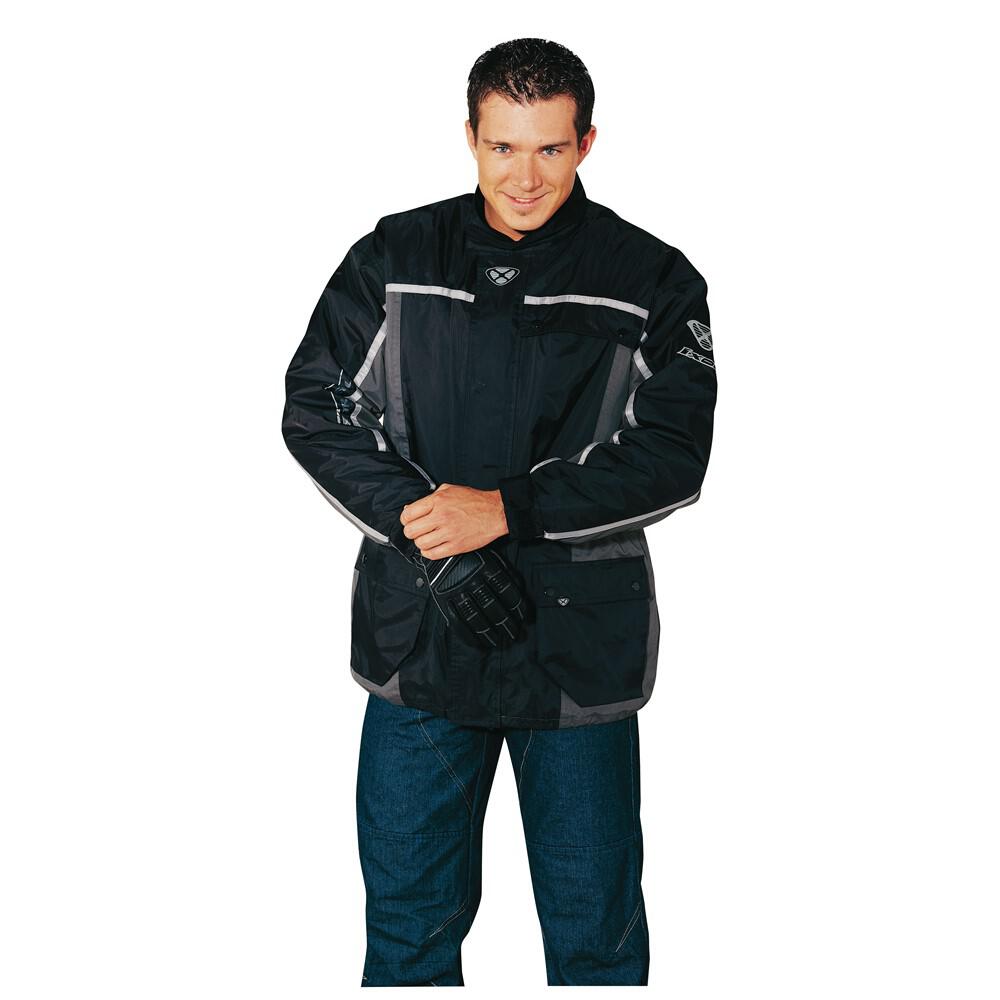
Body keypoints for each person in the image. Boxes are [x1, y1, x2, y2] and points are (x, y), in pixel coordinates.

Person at [281, 37, 717, 987]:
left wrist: (508, 510)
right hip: (420, 640)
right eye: (503, 147)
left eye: (550, 148)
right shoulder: (394, 255)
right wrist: (432, 530)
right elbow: (318, 408)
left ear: (587, 142)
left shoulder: (652, 278)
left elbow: (672, 455)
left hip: (577, 657)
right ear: (470, 138)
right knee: (407, 937)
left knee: (596, 942)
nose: (525, 177)